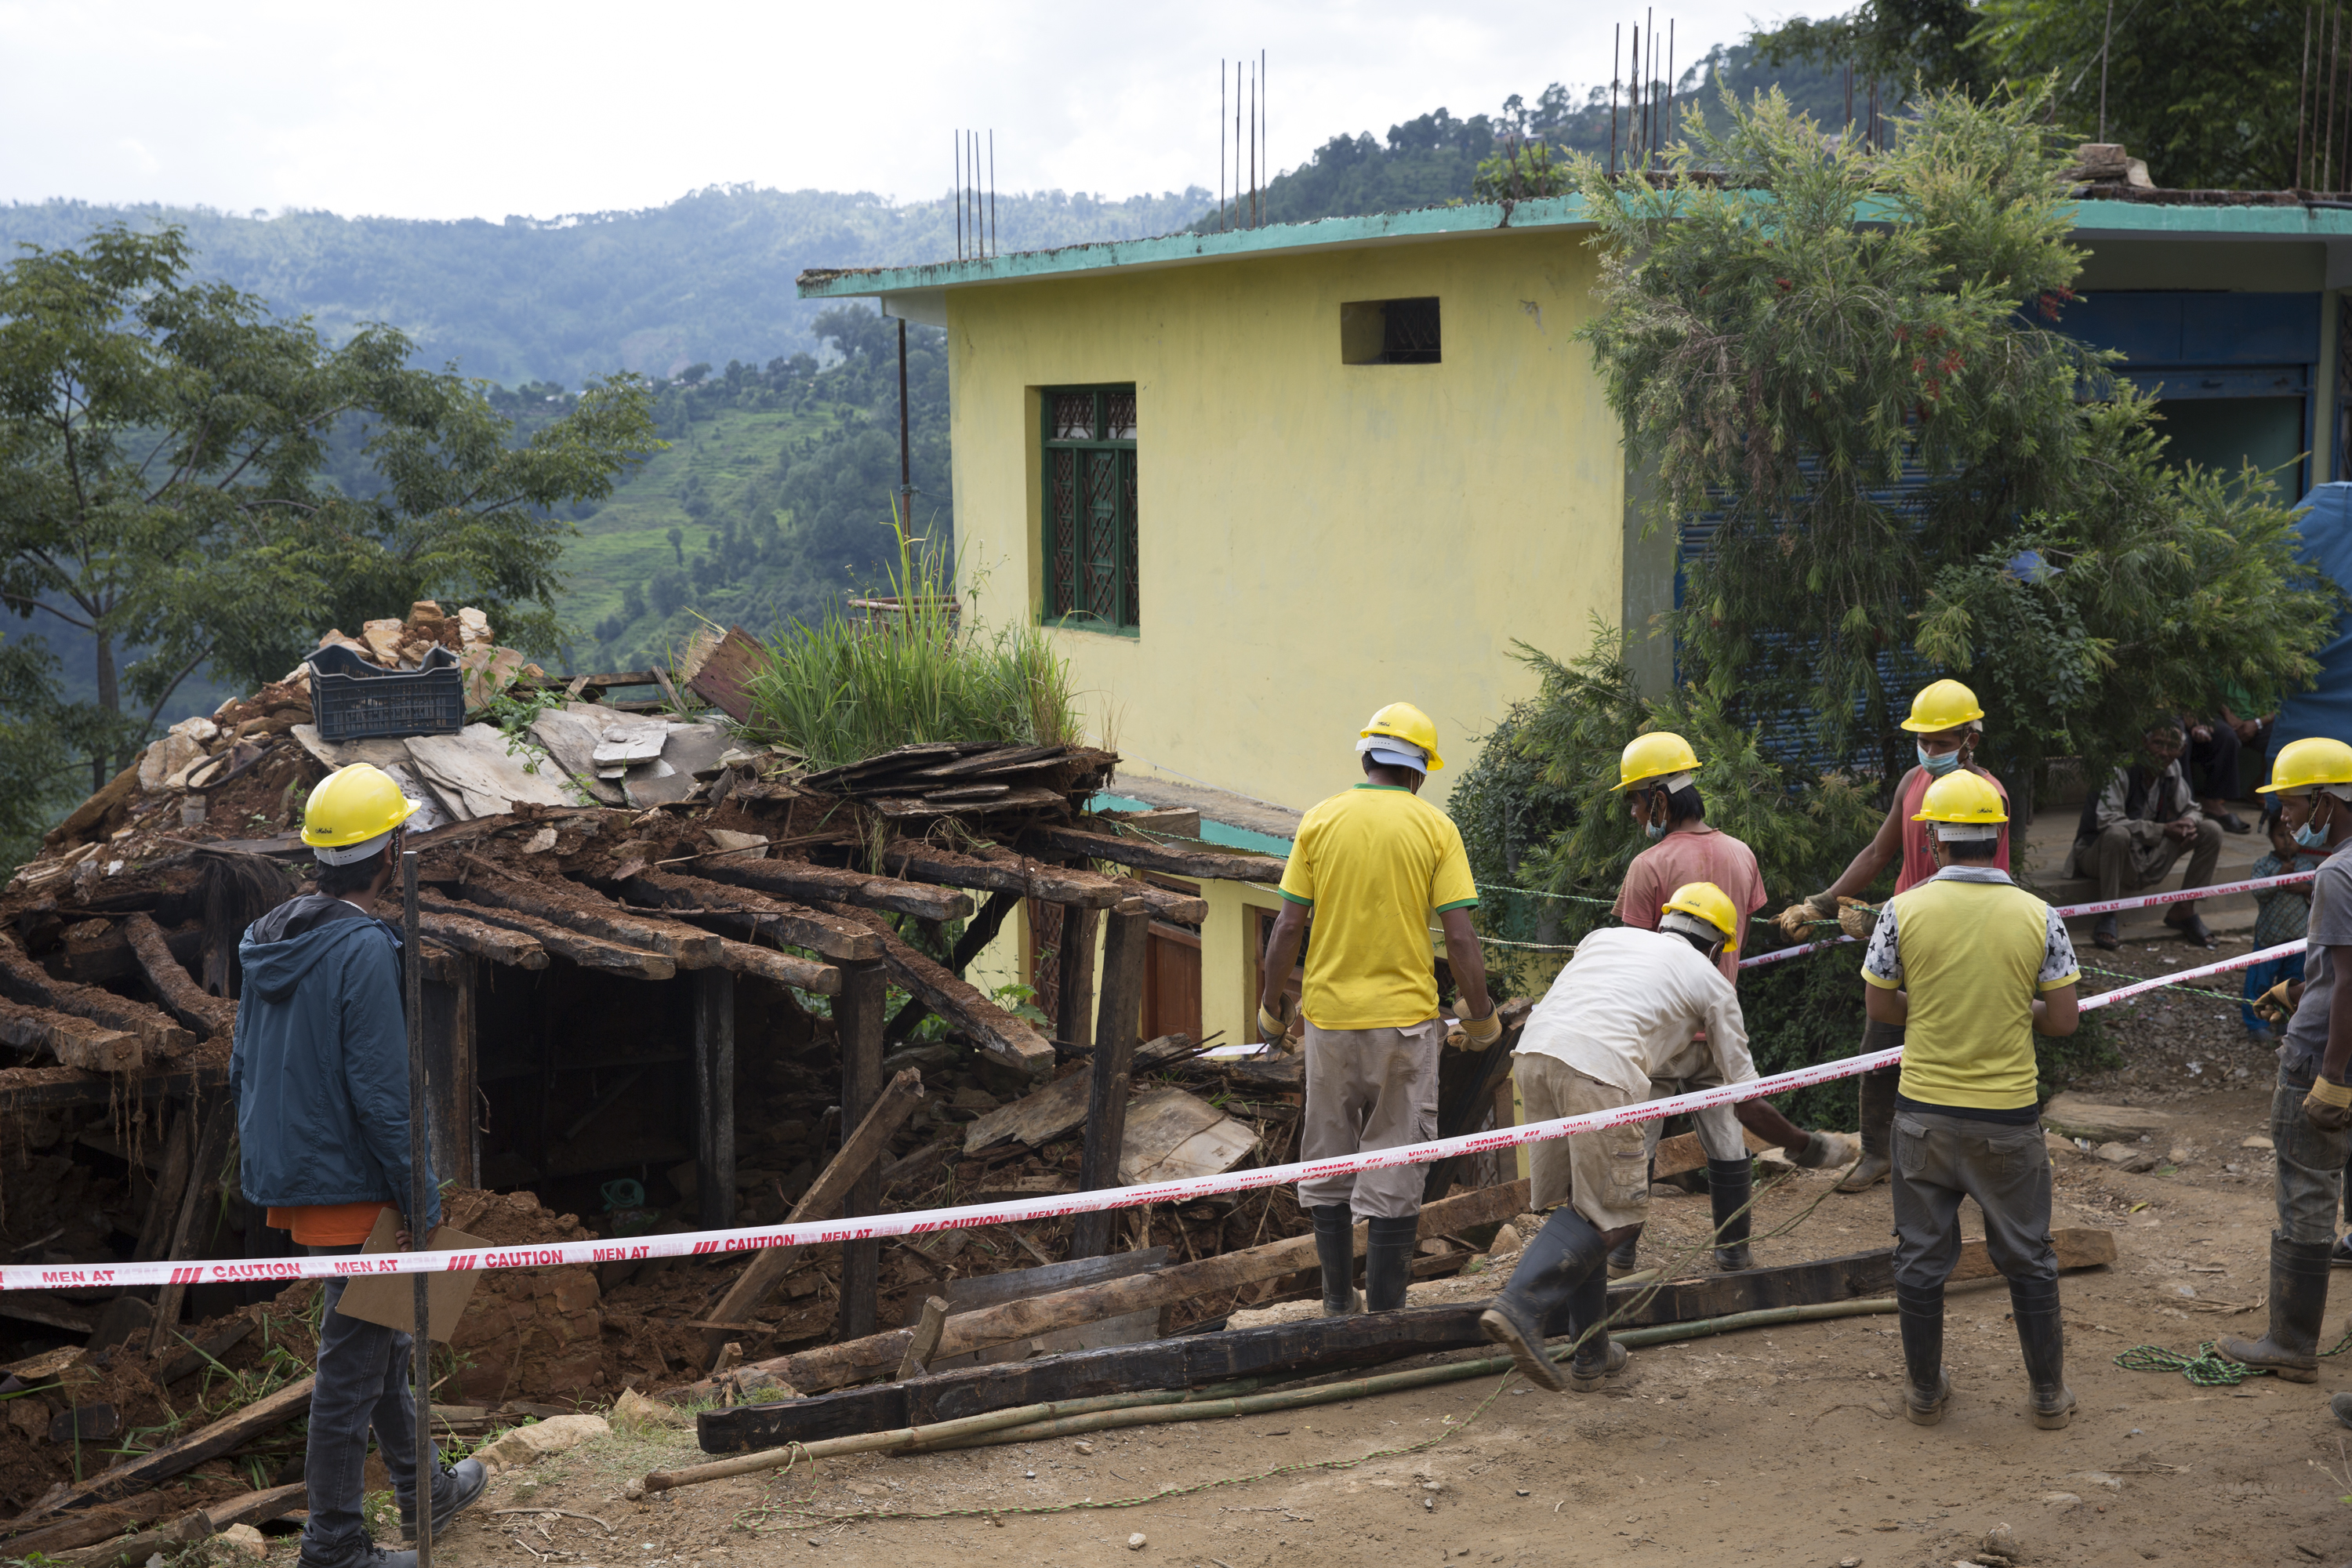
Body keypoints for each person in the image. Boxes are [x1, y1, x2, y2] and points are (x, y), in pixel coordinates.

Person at [231, 764, 485, 1568]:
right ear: (392, 851)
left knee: (379, 1347)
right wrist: (421, 1189)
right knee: (352, 1364)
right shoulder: (363, 948)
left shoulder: (274, 938)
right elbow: (383, 1089)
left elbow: (242, 1063)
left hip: (304, 1179)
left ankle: (426, 1491)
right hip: (353, 1184)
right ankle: (335, 1541)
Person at [1476, 882, 1846, 1392]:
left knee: (1587, 1209)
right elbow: (1747, 1101)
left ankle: (1591, 1352)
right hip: (1599, 1072)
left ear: (1666, 922)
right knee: (1619, 1217)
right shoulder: (1712, 983)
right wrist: (1808, 1146)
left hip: (1534, 1056)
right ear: (1718, 947)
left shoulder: (1604, 938)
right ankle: (1520, 1306)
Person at [1258, 702, 1499, 1316]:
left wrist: (1270, 1010)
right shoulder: (1435, 828)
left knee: (1329, 1161)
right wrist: (1481, 1016)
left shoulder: (1320, 820)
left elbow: (1288, 928)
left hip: (1330, 1023)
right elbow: (1462, 939)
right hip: (1404, 1025)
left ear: (1367, 759)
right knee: (1396, 1163)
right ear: (1419, 773)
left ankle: (1338, 1306)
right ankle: (1386, 1314)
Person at [1860, 770, 2082, 1428]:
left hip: (1923, 1116)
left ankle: (1925, 1393)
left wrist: (1932, 1002)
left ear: (1931, 839)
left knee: (1921, 1259)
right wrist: (2016, 1008)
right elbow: (2065, 1020)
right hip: (2008, 1122)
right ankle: (2047, 1396)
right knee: (2028, 1257)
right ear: (1999, 838)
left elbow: (1881, 1006)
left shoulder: (1900, 912)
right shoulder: (2040, 916)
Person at [1776, 677, 2009, 1194]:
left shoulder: (1986, 798)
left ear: (1971, 739)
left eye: (1942, 744)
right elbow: (1878, 853)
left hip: (1960, 944)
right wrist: (1823, 901)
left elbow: (1973, 884)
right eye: (1923, 742)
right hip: (1906, 938)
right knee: (1879, 1049)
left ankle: (1974, 1162)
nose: (1930, 752)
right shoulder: (1911, 783)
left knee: (1959, 1053)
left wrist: (1879, 913)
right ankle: (1878, 1153)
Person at [2218, 738, 2352, 1404]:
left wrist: (2331, 1074)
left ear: (2327, 801)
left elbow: (2351, 981)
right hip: (2334, 1034)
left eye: (2296, 803)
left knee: (2306, 1187)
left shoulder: (2337, 874)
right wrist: (2300, 991)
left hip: (2325, 1059)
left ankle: (2292, 1343)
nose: (2290, 817)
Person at [1608, 731, 1770, 1272]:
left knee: (1637, 1145)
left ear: (1658, 799)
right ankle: (1734, 1253)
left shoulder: (1648, 868)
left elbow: (1631, 956)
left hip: (1660, 1036)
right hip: (1717, 1027)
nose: (1633, 813)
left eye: (1635, 800)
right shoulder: (1742, 855)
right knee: (1727, 1140)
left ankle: (1621, 1254)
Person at [2067, 721, 2224, 951]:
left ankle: (2184, 909)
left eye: (2171, 747)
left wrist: (2188, 823)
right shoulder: (2120, 769)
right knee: (2117, 834)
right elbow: (2107, 820)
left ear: (2181, 752)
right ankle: (2108, 913)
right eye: (2158, 743)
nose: (2163, 752)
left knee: (2211, 830)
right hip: (2097, 854)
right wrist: (2163, 830)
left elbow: (2192, 808)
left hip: (2143, 856)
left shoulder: (2172, 771)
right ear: (2144, 743)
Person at [2246, 811, 2322, 1044]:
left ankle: (2285, 1021)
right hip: (2269, 937)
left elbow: (2320, 896)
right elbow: (2257, 892)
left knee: (2292, 983)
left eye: (2291, 836)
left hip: (2298, 938)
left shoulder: (2307, 866)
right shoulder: (2263, 865)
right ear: (2270, 837)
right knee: (2259, 982)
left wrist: (2304, 888)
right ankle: (2256, 1024)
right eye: (2280, 835)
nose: (2287, 841)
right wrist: (2277, 879)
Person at [2185, 714, 2253, 833]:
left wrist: (2199, 720)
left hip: (2195, 711)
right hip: (2166, 714)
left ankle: (2213, 803)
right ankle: (2183, 806)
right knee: (2179, 740)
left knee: (2226, 735)